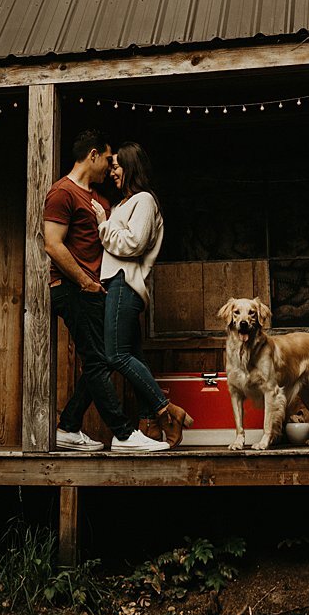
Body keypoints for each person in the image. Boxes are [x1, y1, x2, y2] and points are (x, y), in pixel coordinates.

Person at [43, 128, 169, 453]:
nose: (110, 169)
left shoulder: (102, 201)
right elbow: (53, 245)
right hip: (74, 289)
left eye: (117, 164)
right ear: (93, 155)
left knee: (105, 358)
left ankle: (69, 426)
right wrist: (84, 281)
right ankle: (124, 433)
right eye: (108, 161)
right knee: (101, 360)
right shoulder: (63, 192)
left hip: (99, 290)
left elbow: (123, 237)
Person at [92, 141, 194, 449]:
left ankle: (167, 410)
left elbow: (134, 244)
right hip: (116, 284)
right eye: (111, 168)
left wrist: (103, 226)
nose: (112, 173)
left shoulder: (145, 201)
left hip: (125, 283)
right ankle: (150, 425)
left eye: (117, 167)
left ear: (131, 166)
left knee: (116, 356)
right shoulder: (123, 204)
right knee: (132, 356)